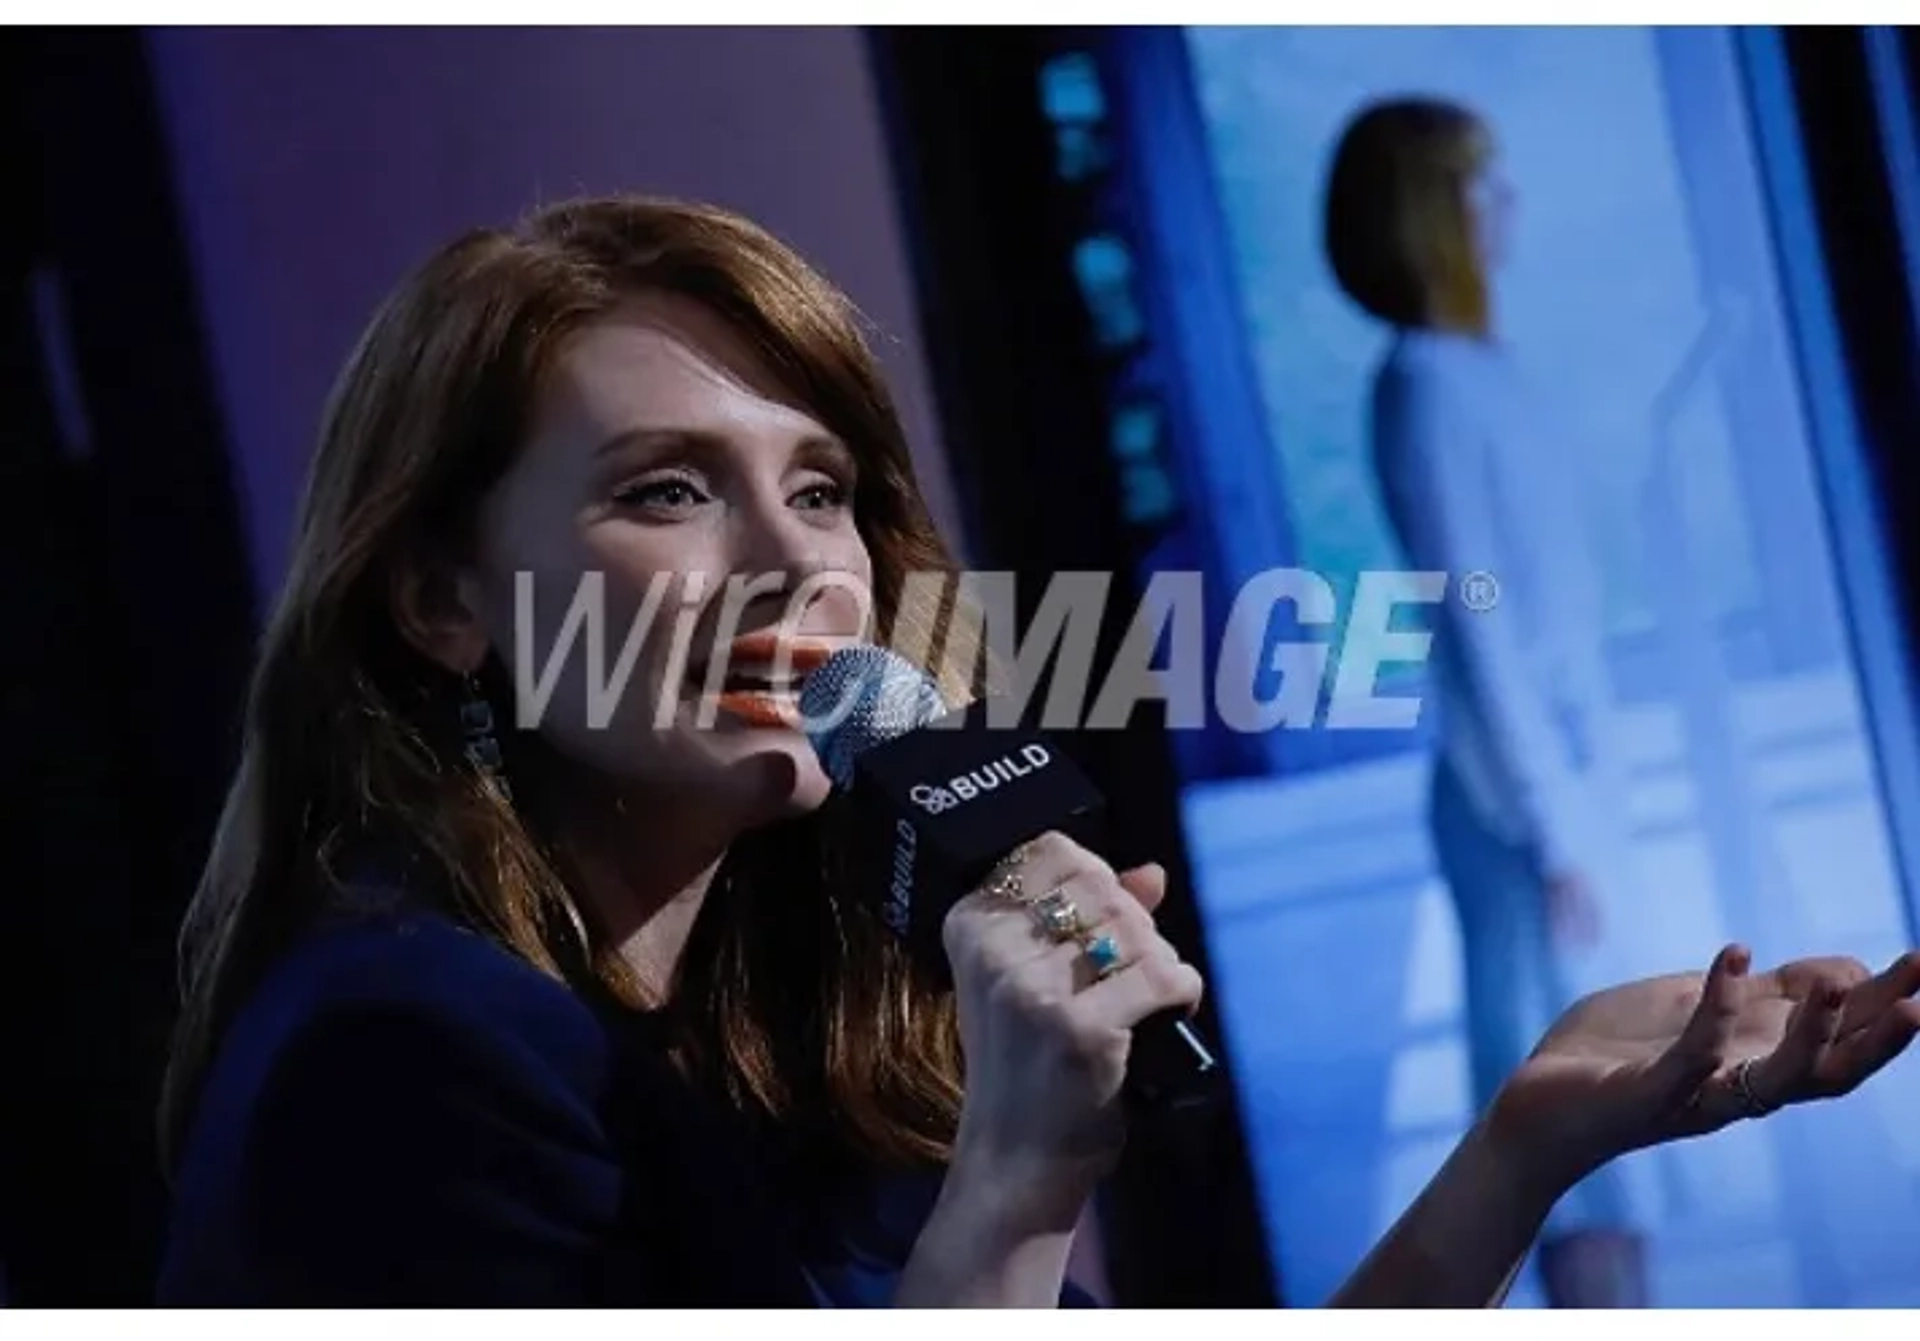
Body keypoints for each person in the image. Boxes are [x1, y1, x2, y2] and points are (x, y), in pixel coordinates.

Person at [157, 195, 1920, 1307]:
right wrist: (1010, 1194)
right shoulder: (407, 1056)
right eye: (668, 490)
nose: (799, 566)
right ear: (442, 599)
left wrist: (1524, 1144)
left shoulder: (804, 1004)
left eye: (824, 487)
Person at [1324, 95, 1657, 1304]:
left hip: (1557, 799)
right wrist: (1558, 831)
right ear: (1430, 217)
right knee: (1572, 1142)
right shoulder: (1423, 385)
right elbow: (1481, 632)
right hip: (1519, 814)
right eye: (1478, 185)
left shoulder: (1478, 371)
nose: (1504, 205)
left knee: (1618, 1135)